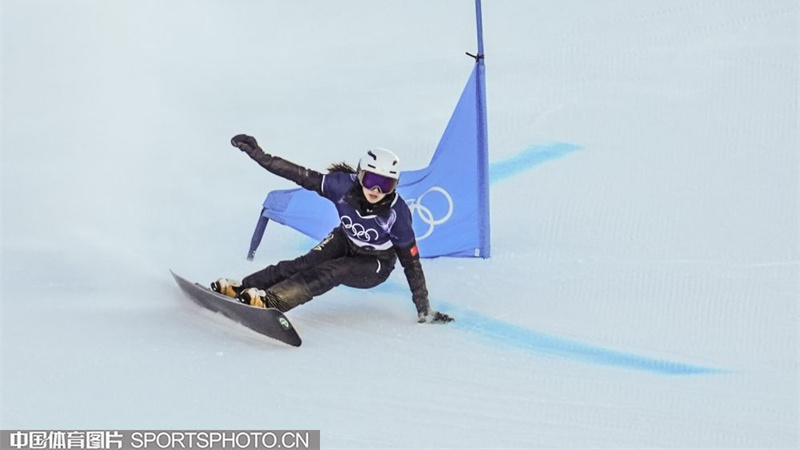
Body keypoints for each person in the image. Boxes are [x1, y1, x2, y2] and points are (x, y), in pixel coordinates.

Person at [211, 134, 454, 324]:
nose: (376, 190)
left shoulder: (397, 214)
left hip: (376, 263)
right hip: (345, 240)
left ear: (395, 186)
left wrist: (424, 309)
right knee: (303, 264)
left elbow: (412, 264)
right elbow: (299, 174)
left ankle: (274, 301)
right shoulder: (341, 186)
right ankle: (244, 287)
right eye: (371, 180)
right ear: (360, 175)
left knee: (335, 269)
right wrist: (261, 156)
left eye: (385, 184)